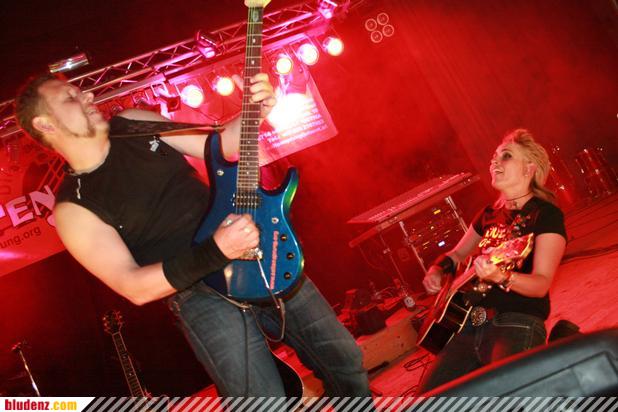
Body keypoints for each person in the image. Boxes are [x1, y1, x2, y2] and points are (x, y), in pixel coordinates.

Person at [15, 72, 370, 400]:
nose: (88, 95)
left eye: (81, 90)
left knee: (344, 358)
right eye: (70, 97)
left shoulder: (133, 123)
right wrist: (217, 250)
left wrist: (255, 111)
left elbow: (221, 145)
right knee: (262, 402)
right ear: (45, 123)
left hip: (257, 254)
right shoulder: (73, 209)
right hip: (197, 295)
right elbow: (134, 286)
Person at [418, 129, 567, 393]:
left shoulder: (546, 215)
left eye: (506, 156)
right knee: (428, 400)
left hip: (515, 321)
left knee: (514, 398)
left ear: (529, 169)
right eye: (493, 158)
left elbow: (541, 284)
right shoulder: (488, 214)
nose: (494, 162)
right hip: (466, 326)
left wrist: (503, 277)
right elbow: (456, 255)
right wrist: (436, 270)